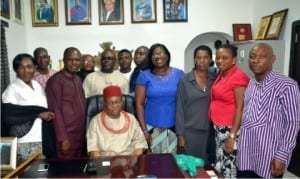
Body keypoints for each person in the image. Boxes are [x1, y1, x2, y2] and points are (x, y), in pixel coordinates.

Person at [237, 43, 300, 178]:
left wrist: (282, 155)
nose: (256, 60)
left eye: (262, 56)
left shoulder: (287, 85)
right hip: (247, 153)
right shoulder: (252, 83)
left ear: (273, 59)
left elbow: (292, 123)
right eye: (252, 56)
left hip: (269, 156)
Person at [2, 53, 54, 161]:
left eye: (29, 67)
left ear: (35, 67)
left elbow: (42, 108)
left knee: (43, 174)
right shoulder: (13, 88)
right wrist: (38, 114)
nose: (26, 71)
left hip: (42, 138)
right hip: (25, 141)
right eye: (21, 67)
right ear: (16, 70)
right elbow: (8, 116)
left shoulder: (37, 85)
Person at [208, 44, 250, 178]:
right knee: (221, 164)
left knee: (229, 166)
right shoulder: (222, 74)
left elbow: (240, 108)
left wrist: (232, 136)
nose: (220, 61)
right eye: (218, 58)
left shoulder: (238, 77)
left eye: (225, 58)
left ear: (234, 60)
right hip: (219, 127)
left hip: (230, 128)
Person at [135, 43, 184, 153]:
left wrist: (182, 132)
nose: (157, 57)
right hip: (151, 127)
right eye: (153, 55)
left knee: (172, 164)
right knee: (153, 165)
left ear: (167, 56)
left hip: (174, 127)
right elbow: (139, 104)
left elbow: (184, 102)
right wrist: (144, 131)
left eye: (160, 53)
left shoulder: (179, 74)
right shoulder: (144, 76)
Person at [176, 45, 216, 163]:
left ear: (210, 60)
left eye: (205, 58)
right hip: (190, 133)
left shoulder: (215, 79)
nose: (202, 61)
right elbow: (180, 109)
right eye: (199, 58)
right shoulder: (185, 80)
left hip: (210, 132)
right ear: (194, 60)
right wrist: (180, 135)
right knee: (190, 166)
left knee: (207, 167)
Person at [45, 47, 86, 159]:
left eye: (77, 60)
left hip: (79, 134)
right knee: (66, 171)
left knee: (79, 170)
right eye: (70, 59)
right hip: (65, 137)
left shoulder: (78, 79)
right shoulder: (55, 81)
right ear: (64, 61)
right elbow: (55, 111)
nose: (74, 63)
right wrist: (63, 139)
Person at [86, 85, 148, 157]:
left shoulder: (131, 119)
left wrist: (134, 161)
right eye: (110, 103)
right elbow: (93, 150)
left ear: (122, 101)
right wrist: (104, 165)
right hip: (105, 161)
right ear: (105, 103)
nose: (115, 105)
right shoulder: (95, 122)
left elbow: (139, 143)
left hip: (128, 161)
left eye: (117, 102)